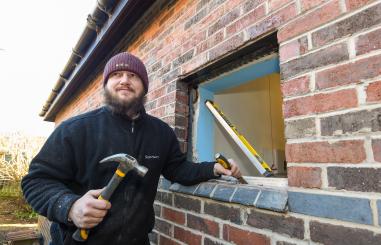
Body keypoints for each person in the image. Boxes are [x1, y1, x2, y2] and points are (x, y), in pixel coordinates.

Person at [21, 52, 242, 245]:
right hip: (78, 240)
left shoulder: (161, 133)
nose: (125, 80)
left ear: (144, 86)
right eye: (117, 75)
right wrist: (69, 207)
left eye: (133, 75)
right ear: (106, 84)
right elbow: (36, 181)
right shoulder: (76, 130)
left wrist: (213, 169)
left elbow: (178, 169)